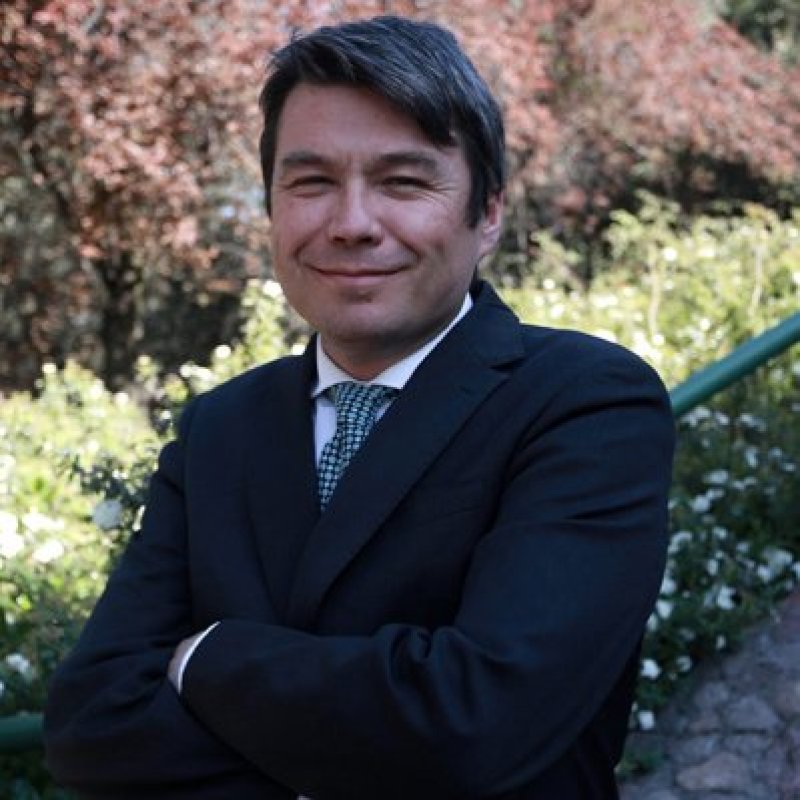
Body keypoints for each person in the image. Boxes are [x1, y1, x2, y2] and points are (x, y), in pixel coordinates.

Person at [44, 15, 675, 800]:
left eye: (403, 182)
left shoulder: (584, 404)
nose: (351, 225)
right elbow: (91, 721)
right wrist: (365, 733)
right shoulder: (220, 429)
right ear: (271, 208)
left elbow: (476, 723)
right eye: (311, 183)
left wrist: (205, 658)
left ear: (487, 213)